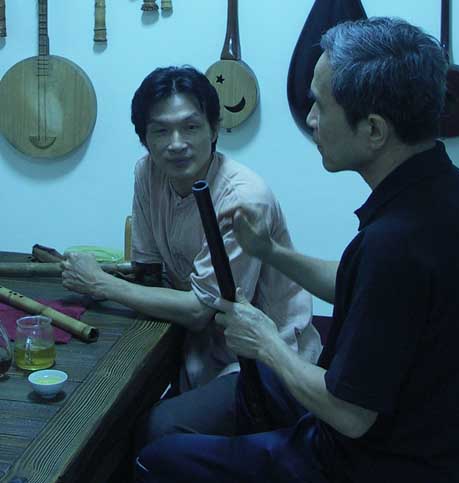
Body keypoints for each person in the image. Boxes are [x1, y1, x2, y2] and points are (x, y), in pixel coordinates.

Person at [134, 17, 459, 483]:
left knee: (158, 459)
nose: (309, 120)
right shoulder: (453, 191)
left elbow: (350, 415)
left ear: (374, 130)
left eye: (320, 106)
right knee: (177, 419)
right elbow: (358, 282)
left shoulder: (397, 242)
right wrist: (269, 250)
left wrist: (268, 342)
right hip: (422, 435)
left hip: (376, 462)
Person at [61, 66, 321, 449]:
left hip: (265, 362)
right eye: (161, 131)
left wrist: (100, 283)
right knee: (107, 412)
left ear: (214, 129)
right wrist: (107, 279)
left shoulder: (243, 198)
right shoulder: (148, 173)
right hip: (198, 350)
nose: (176, 144)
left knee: (158, 429)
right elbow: (150, 272)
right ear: (144, 138)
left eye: (191, 127)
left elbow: (201, 309)